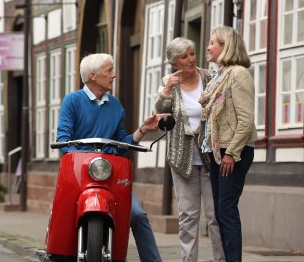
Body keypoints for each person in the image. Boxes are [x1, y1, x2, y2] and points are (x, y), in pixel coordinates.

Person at [56, 53, 167, 262]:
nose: (113, 75)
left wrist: (143, 129)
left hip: (109, 174)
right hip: (79, 174)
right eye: (109, 71)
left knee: (137, 214)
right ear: (92, 75)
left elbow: (122, 145)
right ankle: (58, 251)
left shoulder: (115, 105)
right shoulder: (72, 101)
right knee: (65, 212)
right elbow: (63, 140)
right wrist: (84, 160)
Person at [154, 37, 225, 262]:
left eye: (192, 53)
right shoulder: (169, 82)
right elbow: (160, 113)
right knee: (188, 218)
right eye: (184, 57)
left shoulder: (209, 77)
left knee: (215, 216)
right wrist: (167, 90)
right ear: (175, 62)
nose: (191, 59)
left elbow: (221, 107)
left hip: (210, 157)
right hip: (181, 159)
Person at [199, 26, 258, 262]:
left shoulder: (239, 74)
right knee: (219, 212)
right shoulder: (220, 75)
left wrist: (231, 153)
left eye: (213, 42)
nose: (208, 46)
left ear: (226, 47)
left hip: (234, 151)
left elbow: (246, 120)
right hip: (218, 151)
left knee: (226, 210)